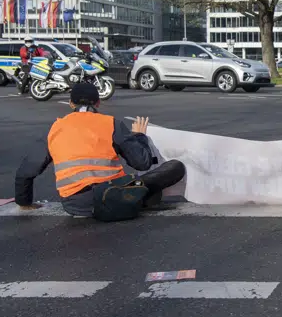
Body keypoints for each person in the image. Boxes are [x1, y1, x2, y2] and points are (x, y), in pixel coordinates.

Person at [15, 82, 186, 220]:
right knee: (174, 167)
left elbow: (25, 172)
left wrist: (25, 203)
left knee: (136, 187)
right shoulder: (110, 124)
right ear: (98, 103)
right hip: (117, 193)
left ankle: (143, 198)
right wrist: (140, 136)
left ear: (71, 103)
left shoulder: (55, 128)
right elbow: (142, 163)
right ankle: (143, 197)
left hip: (75, 204)